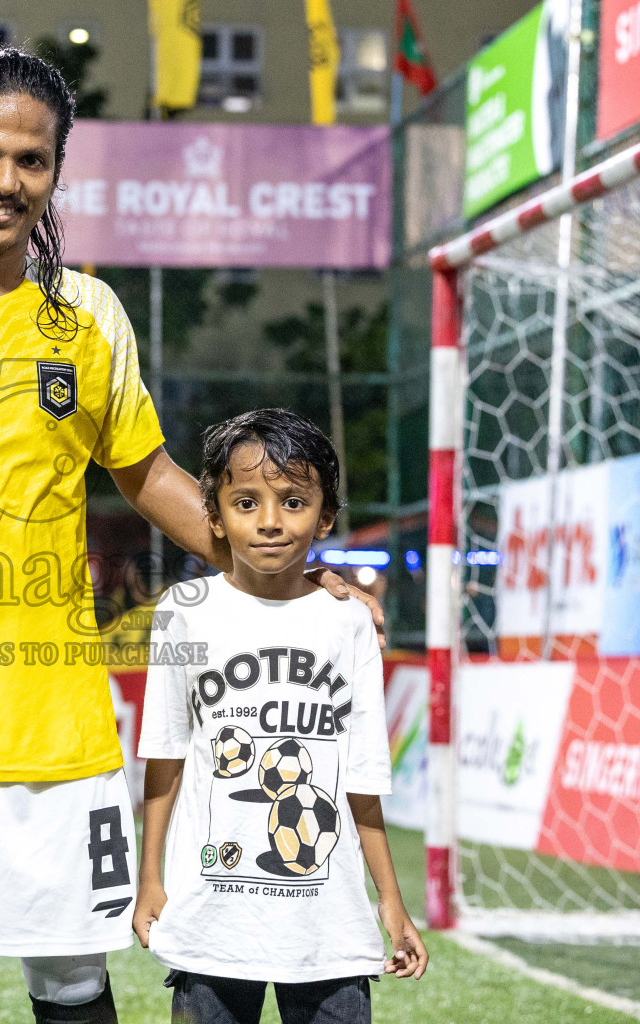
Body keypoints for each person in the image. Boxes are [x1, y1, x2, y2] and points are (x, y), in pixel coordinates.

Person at [0, 48, 385, 1024]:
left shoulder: (89, 317)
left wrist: (288, 576)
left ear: (54, 172)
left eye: (32, 160)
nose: (5, 179)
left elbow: (150, 475)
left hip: (56, 723)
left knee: (70, 980)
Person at [132, 409, 426, 1024]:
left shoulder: (348, 621)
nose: (269, 521)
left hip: (327, 923)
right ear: (212, 513)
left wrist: (390, 901)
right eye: (245, 502)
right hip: (211, 912)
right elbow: (165, 752)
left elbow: (362, 776)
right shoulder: (183, 612)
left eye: (293, 502)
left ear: (324, 516)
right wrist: (150, 877)